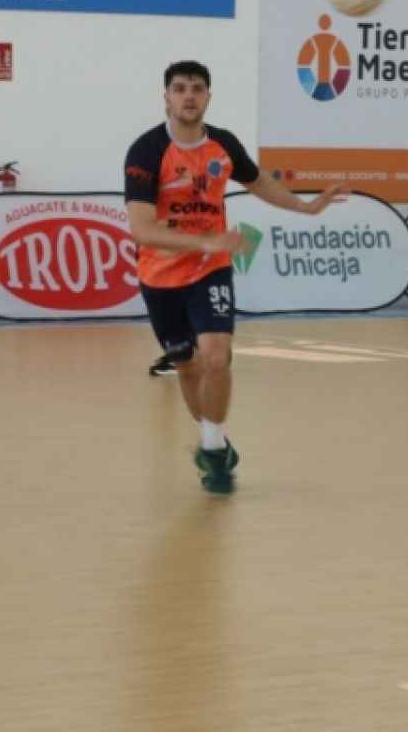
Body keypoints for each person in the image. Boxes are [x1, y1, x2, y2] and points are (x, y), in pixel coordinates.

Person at [124, 61, 346, 494]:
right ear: (166, 97)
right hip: (160, 275)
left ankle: (211, 450)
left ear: (208, 97)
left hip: (210, 269)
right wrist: (206, 240)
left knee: (217, 356)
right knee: (186, 364)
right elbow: (142, 230)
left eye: (197, 88)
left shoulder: (222, 144)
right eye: (180, 88)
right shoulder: (147, 151)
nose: (189, 95)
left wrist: (306, 207)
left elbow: (259, 181)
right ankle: (217, 440)